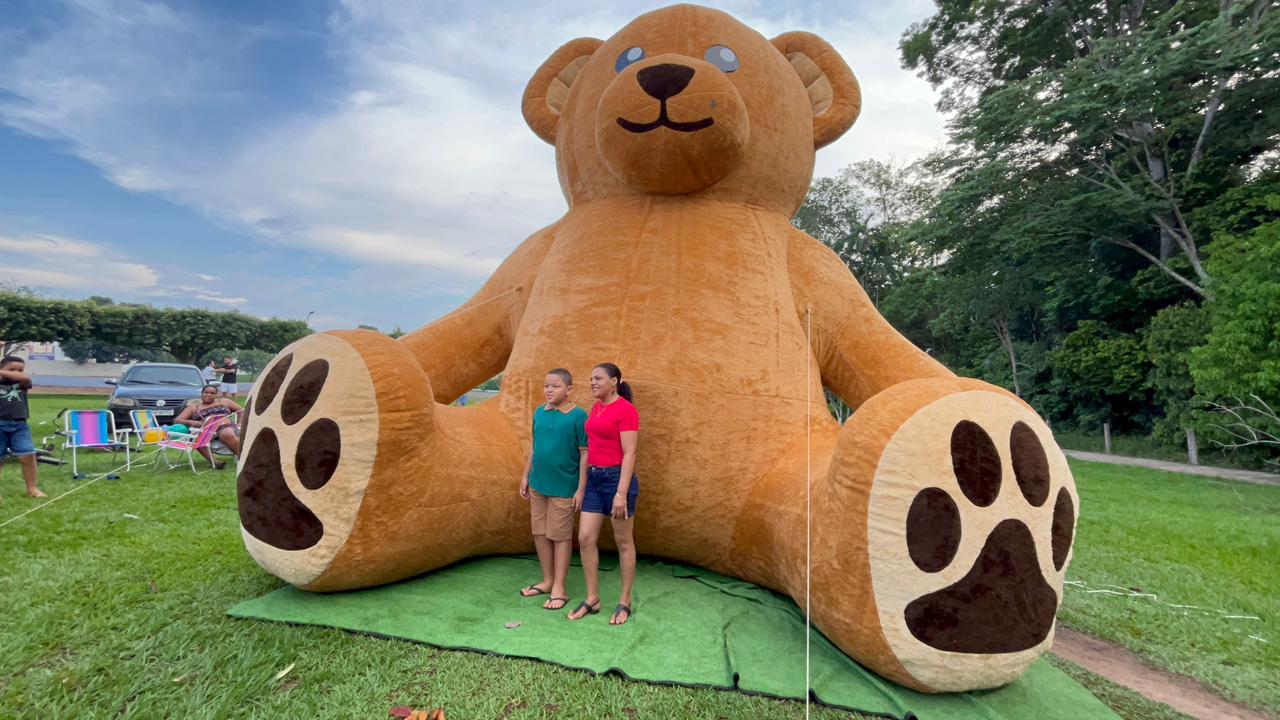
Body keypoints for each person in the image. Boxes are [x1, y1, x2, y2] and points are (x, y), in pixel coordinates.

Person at [567, 363, 639, 625]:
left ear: (614, 382)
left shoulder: (627, 410)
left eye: (598, 378)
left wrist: (621, 493)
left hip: (616, 481)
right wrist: (582, 486)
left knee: (624, 542)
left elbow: (630, 453)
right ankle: (593, 598)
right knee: (585, 538)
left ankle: (625, 601)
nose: (593, 382)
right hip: (595, 481)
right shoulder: (597, 408)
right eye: (591, 378)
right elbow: (591, 448)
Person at [518, 368, 588, 611]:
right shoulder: (539, 412)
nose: (549, 390)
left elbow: (585, 454)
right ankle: (547, 581)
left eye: (555, 386)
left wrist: (580, 489)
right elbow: (534, 447)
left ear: (569, 390)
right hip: (538, 484)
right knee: (539, 532)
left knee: (560, 536)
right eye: (546, 385)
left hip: (564, 488)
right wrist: (525, 475)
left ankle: (560, 587)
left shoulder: (578, 417)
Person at [0, 356, 44, 498]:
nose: (17, 373)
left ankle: (32, 489)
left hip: (20, 425)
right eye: (12, 369)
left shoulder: (23, 382)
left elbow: (26, 378)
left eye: (20, 370)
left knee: (28, 456)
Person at [172, 384, 244, 469]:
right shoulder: (194, 407)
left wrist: (240, 424)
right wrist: (190, 422)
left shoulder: (223, 401)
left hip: (226, 426)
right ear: (202, 393)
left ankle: (244, 458)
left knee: (226, 433)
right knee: (196, 438)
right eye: (206, 392)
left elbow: (241, 410)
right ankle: (215, 463)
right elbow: (177, 420)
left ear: (216, 395)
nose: (209, 394)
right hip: (207, 430)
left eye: (212, 393)